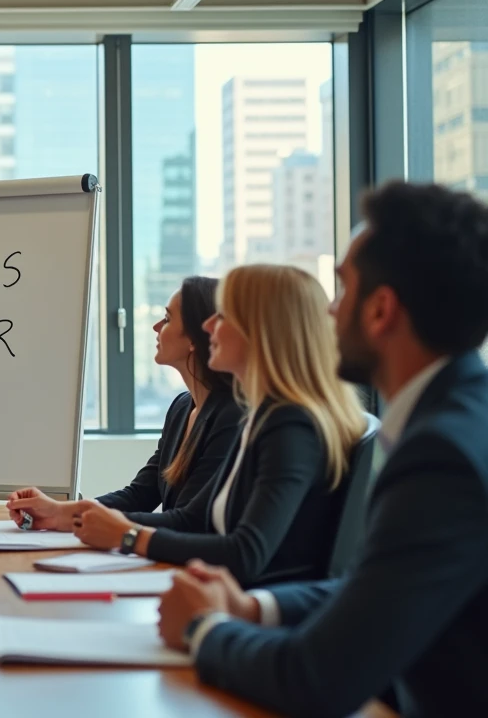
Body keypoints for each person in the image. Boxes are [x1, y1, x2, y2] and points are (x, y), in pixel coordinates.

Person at [158, 182, 488, 717]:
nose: (329, 313)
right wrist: (253, 607)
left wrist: (202, 630)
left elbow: (316, 678)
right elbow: (370, 589)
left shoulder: (443, 456)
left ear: (381, 310)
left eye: (343, 290)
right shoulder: (450, 420)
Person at [72, 264, 367, 586]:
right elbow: (196, 520)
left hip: (246, 606)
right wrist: (81, 515)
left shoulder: (289, 423)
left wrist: (129, 537)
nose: (209, 325)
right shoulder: (266, 414)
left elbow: (246, 552)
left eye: (223, 316)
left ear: (262, 331)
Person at [7, 276, 242, 529]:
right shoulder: (182, 407)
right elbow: (140, 495)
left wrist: (75, 519)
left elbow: (187, 521)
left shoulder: (232, 415)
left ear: (195, 337)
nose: (155, 326)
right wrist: (57, 511)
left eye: (167, 319)